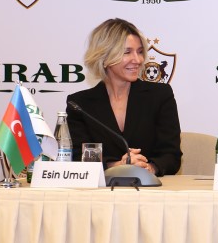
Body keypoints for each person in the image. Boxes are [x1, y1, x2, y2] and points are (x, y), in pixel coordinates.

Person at [66, 18, 182, 176]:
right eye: (127, 52)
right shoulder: (79, 104)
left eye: (140, 52)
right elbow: (78, 157)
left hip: (149, 187)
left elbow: (171, 155)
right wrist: (117, 166)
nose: (138, 60)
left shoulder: (160, 95)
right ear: (105, 57)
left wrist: (149, 168)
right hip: (101, 189)